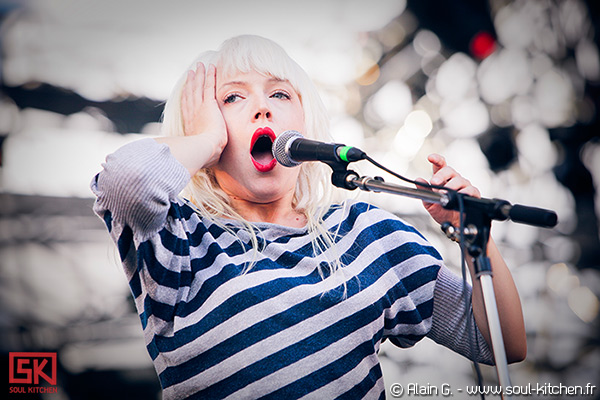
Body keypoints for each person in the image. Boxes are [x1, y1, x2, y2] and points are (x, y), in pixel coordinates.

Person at [91, 35, 526, 400]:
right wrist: (204, 139)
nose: (262, 108)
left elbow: (502, 343)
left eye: (279, 94)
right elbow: (125, 181)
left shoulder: (368, 233)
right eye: (233, 97)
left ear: (304, 120)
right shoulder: (180, 239)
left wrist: (476, 238)